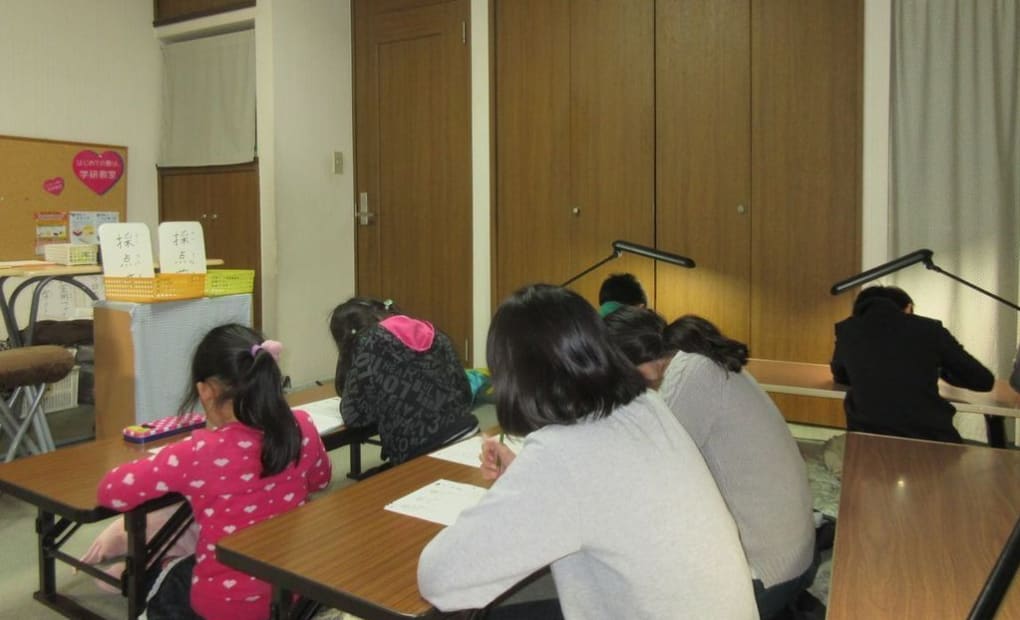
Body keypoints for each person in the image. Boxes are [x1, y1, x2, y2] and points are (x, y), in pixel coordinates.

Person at [417, 284, 756, 620]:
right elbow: (601, 494)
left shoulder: (564, 455)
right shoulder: (646, 407)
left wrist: (535, 479)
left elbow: (440, 579)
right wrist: (526, 475)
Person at [96, 324, 332, 620]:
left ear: (205, 391)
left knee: (163, 581)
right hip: (298, 589)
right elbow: (320, 479)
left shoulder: (196, 452)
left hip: (225, 603)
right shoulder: (302, 426)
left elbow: (110, 492)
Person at [605, 308, 817, 620]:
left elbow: (648, 479)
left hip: (765, 575)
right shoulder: (700, 361)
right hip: (791, 555)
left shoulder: (692, 375)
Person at [830, 285, 995, 443]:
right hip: (929, 437)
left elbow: (841, 376)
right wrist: (940, 368)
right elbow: (982, 381)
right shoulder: (930, 329)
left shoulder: (847, 330)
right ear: (908, 308)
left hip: (866, 436)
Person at [329, 297, 478, 465]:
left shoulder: (368, 342)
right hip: (468, 430)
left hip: (422, 450)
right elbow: (465, 393)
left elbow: (353, 416)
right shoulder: (429, 329)